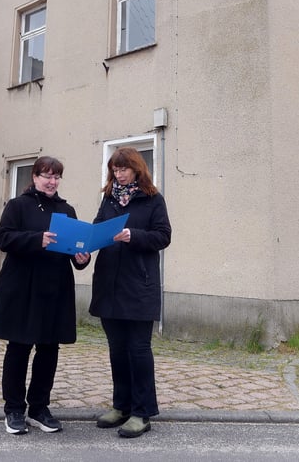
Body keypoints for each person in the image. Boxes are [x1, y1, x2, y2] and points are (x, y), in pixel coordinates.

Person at [0, 156, 91, 435]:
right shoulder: (17, 206)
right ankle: (13, 409)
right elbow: (3, 238)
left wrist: (81, 258)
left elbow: (75, 249)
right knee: (19, 348)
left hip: (55, 288)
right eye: (46, 176)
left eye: (56, 176)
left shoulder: (67, 210)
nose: (52, 181)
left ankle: (39, 408)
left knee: (49, 349)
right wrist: (37, 239)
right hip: (22, 287)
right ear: (34, 177)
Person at [89, 147, 172, 438]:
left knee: (138, 351)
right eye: (115, 170)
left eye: (123, 169)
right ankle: (121, 407)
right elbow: (97, 230)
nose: (119, 174)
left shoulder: (152, 199)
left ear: (137, 169)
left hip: (139, 287)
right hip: (109, 285)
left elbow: (163, 236)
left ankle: (142, 412)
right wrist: (84, 246)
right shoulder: (109, 199)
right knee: (117, 350)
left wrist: (132, 236)